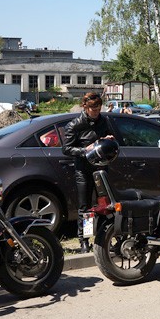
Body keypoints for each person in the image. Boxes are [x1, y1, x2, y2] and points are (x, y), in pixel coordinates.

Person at [63, 92, 115, 253]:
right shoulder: (75, 124)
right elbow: (66, 149)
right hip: (83, 170)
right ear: (85, 107)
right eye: (93, 109)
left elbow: (112, 138)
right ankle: (84, 240)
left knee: (105, 205)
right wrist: (84, 150)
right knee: (85, 208)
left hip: (101, 168)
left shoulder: (104, 121)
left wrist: (109, 139)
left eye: (99, 109)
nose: (96, 112)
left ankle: (104, 238)